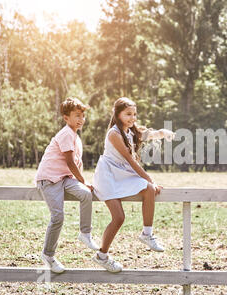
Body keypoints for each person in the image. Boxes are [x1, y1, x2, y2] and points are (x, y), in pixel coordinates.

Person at [92, 97, 175, 273]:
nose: (132, 118)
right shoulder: (114, 134)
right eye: (128, 114)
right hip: (108, 176)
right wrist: (151, 179)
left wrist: (163, 132)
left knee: (149, 190)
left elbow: (150, 134)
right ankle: (102, 255)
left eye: (134, 114)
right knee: (119, 217)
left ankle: (147, 233)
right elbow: (130, 160)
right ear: (117, 114)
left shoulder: (130, 131)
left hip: (122, 174)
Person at [35, 98, 99, 274]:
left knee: (86, 194)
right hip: (49, 179)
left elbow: (76, 164)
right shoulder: (65, 134)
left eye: (83, 116)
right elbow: (70, 162)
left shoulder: (75, 136)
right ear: (66, 118)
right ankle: (48, 255)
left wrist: (83, 183)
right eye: (77, 115)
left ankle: (85, 233)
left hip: (65, 178)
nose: (81, 119)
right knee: (58, 217)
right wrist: (82, 180)